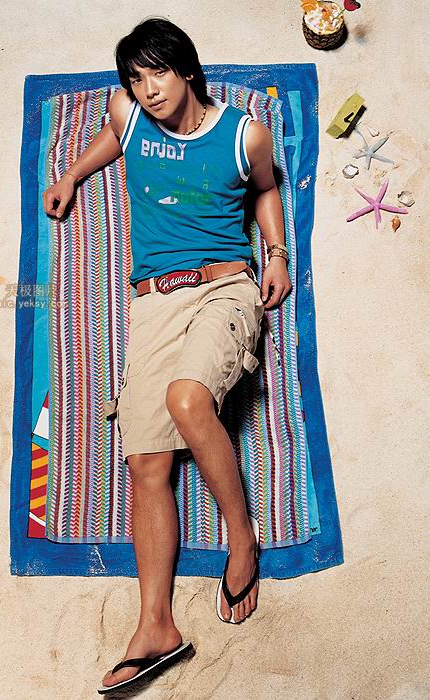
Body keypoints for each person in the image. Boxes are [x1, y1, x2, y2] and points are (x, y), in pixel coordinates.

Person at [43, 16, 292, 694]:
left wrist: (274, 253)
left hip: (223, 287)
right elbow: (113, 135)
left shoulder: (244, 133)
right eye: (136, 78)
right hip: (152, 300)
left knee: (187, 400)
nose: (148, 89)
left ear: (187, 70)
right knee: (145, 463)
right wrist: (72, 174)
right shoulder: (127, 114)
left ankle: (242, 537)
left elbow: (265, 188)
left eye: (158, 72)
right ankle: (156, 627)